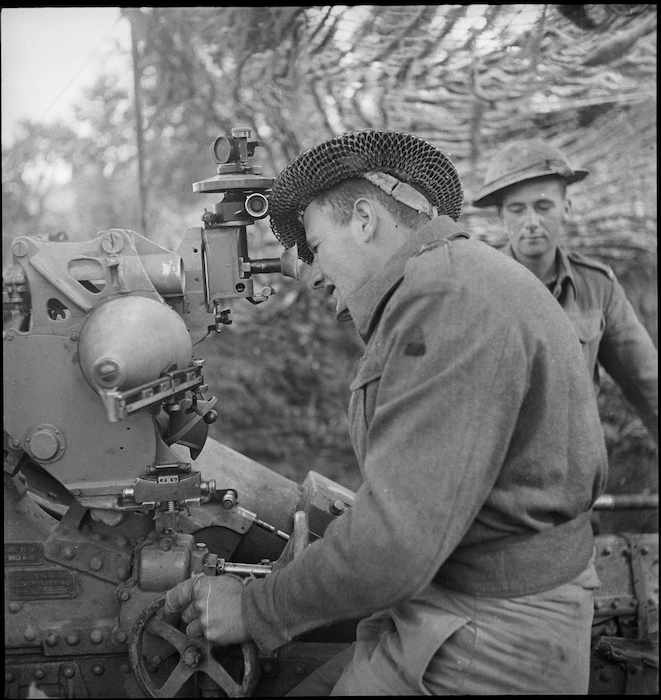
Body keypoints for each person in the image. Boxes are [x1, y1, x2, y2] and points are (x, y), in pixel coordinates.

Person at [165, 130, 608, 694]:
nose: (315, 271)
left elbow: (395, 546)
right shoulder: (451, 280)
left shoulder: (445, 303)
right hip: (453, 602)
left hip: (490, 632)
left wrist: (255, 608)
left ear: (367, 220)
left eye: (318, 244)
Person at [472, 139, 658, 446]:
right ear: (502, 218)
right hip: (493, 471)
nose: (531, 222)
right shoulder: (475, 285)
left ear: (566, 209)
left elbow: (648, 384)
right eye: (517, 210)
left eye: (543, 206)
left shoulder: (597, 288)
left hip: (570, 470)